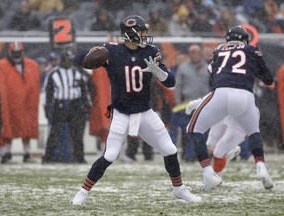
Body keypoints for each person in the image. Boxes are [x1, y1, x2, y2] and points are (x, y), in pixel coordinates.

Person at [71, 15, 201, 205]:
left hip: (144, 111)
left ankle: (179, 189)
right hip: (121, 112)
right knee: (110, 155)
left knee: (169, 149)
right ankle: (83, 192)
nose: (145, 35)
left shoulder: (150, 51)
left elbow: (170, 83)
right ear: (131, 33)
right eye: (142, 31)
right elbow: (79, 59)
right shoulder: (112, 51)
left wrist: (158, 71)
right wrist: (90, 54)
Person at [187, 25, 274, 192]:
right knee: (249, 134)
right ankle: (261, 166)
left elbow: (214, 84)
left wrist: (199, 102)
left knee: (200, 135)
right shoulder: (251, 50)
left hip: (222, 96)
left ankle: (209, 174)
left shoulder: (218, 53)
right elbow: (268, 79)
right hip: (244, 98)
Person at [42, 49, 91, 164]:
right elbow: (47, 92)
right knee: (54, 133)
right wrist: (47, 108)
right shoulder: (53, 73)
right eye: (68, 60)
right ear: (62, 60)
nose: (70, 62)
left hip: (75, 104)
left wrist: (87, 105)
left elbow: (84, 90)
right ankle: (48, 158)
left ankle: (79, 157)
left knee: (77, 134)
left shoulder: (77, 72)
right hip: (59, 105)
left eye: (71, 60)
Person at [0, 42, 40, 163]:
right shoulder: (1, 65)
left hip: (26, 104)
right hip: (8, 104)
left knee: (27, 129)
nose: (16, 55)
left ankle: (26, 153)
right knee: (6, 129)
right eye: (14, 53)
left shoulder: (31, 65)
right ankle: (5, 154)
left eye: (18, 52)